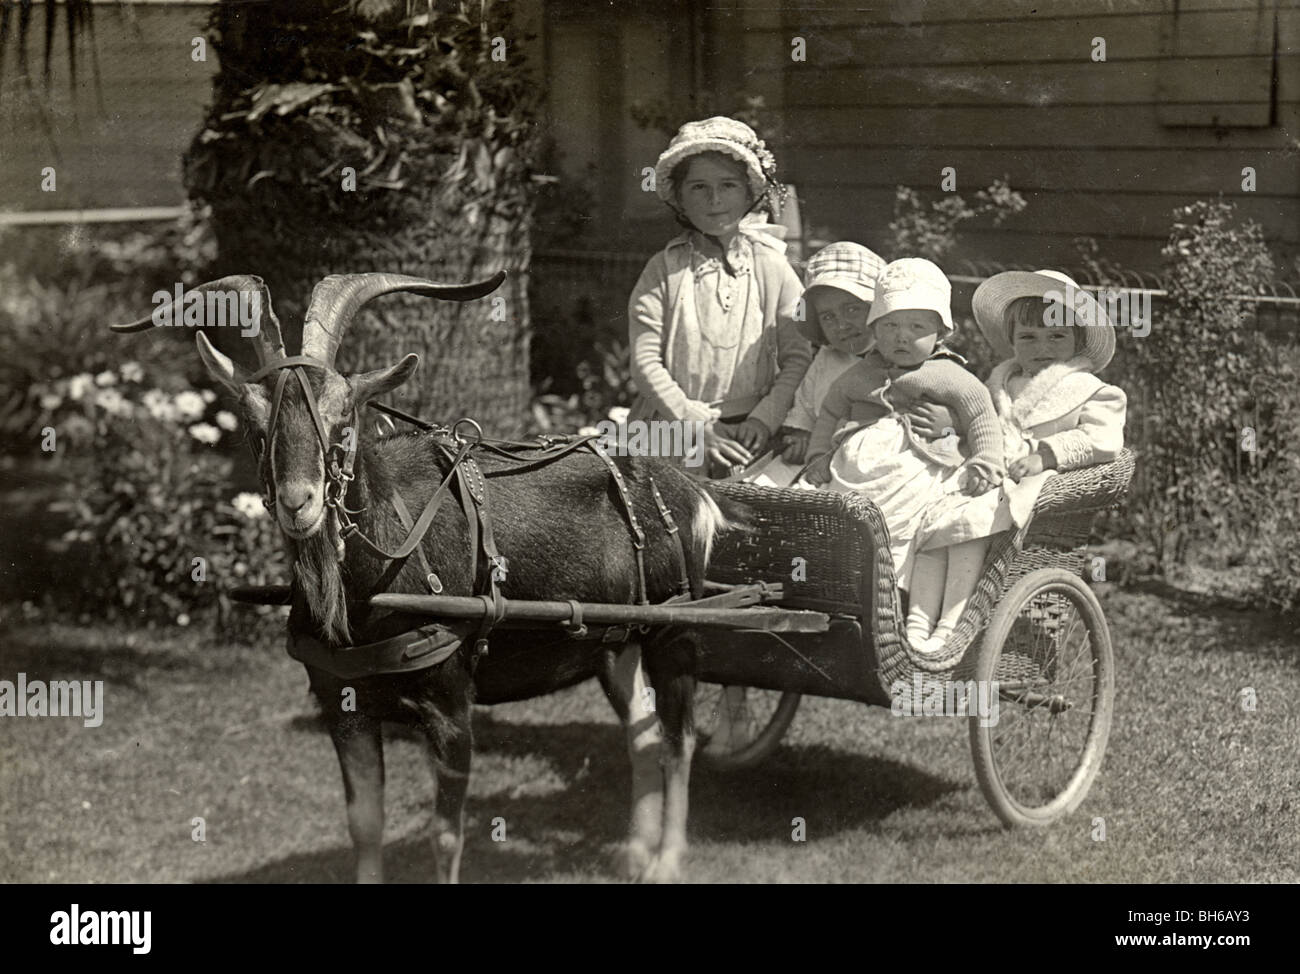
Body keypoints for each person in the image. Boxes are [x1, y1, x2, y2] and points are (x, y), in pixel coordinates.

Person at [908, 270, 1127, 653]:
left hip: (1030, 490)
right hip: (984, 475)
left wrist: (1046, 454)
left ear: (1077, 340)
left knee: (968, 530)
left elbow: (1102, 440)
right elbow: (980, 425)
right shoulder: (998, 386)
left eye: (1056, 336)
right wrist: (954, 424)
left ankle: (949, 627)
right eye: (1028, 337)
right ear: (1011, 342)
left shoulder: (1093, 392)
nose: (1042, 347)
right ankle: (917, 620)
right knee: (931, 521)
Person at [800, 258, 1005, 607]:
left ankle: (888, 583)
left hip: (917, 463)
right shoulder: (861, 373)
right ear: (875, 330)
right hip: (858, 465)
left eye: (916, 327)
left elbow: (981, 415)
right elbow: (830, 411)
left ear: (940, 333)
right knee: (836, 508)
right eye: (890, 325)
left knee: (899, 514)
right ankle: (839, 576)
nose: (901, 336)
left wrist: (985, 460)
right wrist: (818, 456)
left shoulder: (947, 374)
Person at [627, 117, 812, 477]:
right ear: (679, 197)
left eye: (728, 185)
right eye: (698, 187)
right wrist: (693, 424)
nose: (715, 200)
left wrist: (764, 419)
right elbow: (645, 361)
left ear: (748, 193)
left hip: (750, 432)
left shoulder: (771, 266)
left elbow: (798, 356)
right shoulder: (665, 269)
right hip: (673, 427)